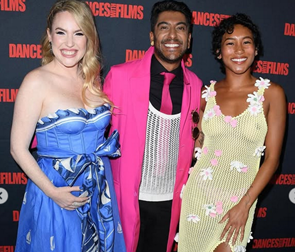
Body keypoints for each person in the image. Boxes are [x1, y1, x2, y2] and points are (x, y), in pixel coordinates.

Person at [10, 0, 126, 251]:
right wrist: (53, 192)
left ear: (89, 38)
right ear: (49, 36)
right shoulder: (36, 82)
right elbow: (17, 149)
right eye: (61, 32)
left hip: (98, 190)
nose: (70, 43)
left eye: (78, 33)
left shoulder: (92, 80)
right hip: (57, 191)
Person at [178, 13, 286, 252]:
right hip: (199, 198)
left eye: (246, 42)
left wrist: (244, 205)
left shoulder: (272, 94)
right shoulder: (206, 93)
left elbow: (273, 160)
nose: (239, 50)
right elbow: (196, 141)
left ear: (256, 50)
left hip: (241, 202)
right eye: (230, 43)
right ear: (219, 52)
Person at [103, 1, 202, 251]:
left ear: (188, 39)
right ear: (152, 35)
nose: (172, 35)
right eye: (164, 27)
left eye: (180, 28)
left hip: (171, 203)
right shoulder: (120, 77)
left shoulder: (197, 85)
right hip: (126, 199)